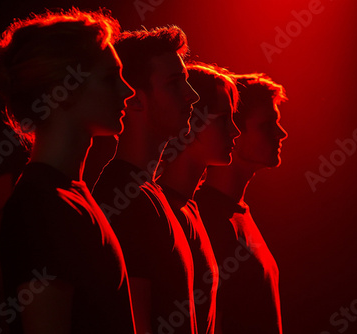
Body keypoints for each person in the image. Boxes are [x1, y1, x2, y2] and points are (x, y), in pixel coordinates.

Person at [0, 9, 136, 334]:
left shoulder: (68, 196)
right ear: (63, 91)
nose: (128, 90)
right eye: (109, 77)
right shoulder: (42, 208)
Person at [92, 26, 200, 334]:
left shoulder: (149, 193)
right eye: (174, 83)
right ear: (134, 100)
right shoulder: (122, 198)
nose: (192, 96)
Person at [195, 73, 288, 334]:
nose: (281, 133)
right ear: (233, 129)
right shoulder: (210, 220)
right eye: (266, 125)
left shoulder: (238, 212)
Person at [156, 62, 240, 334]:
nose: (235, 131)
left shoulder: (189, 207)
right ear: (191, 120)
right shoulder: (158, 209)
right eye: (223, 119)